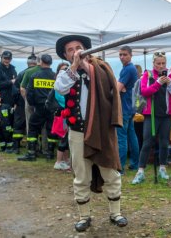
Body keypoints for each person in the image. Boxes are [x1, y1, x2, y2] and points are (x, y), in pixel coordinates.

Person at [54, 35, 127, 232]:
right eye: (70, 49)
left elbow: (108, 84)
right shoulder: (65, 73)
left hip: (102, 131)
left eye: (79, 47)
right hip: (77, 132)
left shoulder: (100, 67)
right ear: (65, 55)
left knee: (110, 171)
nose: (76, 51)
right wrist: (75, 67)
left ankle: (116, 213)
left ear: (87, 49)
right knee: (81, 175)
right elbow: (59, 89)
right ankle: (84, 216)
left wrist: (87, 67)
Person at [131, 52, 171, 184]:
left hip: (166, 114)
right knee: (147, 142)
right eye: (158, 63)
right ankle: (140, 171)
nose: (161, 66)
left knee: (164, 142)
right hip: (150, 115)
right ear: (153, 63)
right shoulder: (148, 75)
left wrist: (169, 84)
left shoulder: (170, 75)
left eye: (163, 63)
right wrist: (158, 83)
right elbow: (144, 92)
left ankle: (162, 168)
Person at [18, 54, 58, 162]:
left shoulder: (35, 75)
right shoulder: (55, 76)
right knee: (51, 130)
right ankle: (50, 154)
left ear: (40, 62)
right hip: (52, 108)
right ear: (50, 63)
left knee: (33, 127)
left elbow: (29, 93)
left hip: (39, 107)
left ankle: (31, 153)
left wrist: (33, 104)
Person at [117, 45, 139, 174]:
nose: (122, 57)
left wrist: (118, 87)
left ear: (131, 55)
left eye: (124, 54)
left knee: (121, 137)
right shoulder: (131, 68)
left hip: (124, 108)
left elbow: (116, 89)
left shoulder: (127, 69)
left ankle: (120, 168)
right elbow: (121, 87)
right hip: (130, 107)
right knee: (132, 136)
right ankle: (135, 164)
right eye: (120, 54)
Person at [46, 62, 71, 171]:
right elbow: (52, 102)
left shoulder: (67, 84)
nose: (65, 71)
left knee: (65, 137)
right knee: (64, 137)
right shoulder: (58, 85)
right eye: (62, 70)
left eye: (66, 69)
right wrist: (60, 111)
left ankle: (65, 160)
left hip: (64, 114)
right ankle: (58, 161)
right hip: (62, 115)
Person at [11, 53, 38, 154]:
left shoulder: (22, 73)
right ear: (36, 63)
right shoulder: (39, 72)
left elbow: (15, 90)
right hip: (36, 103)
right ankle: (33, 145)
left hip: (22, 102)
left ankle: (16, 147)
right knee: (34, 124)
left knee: (19, 123)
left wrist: (16, 102)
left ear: (27, 63)